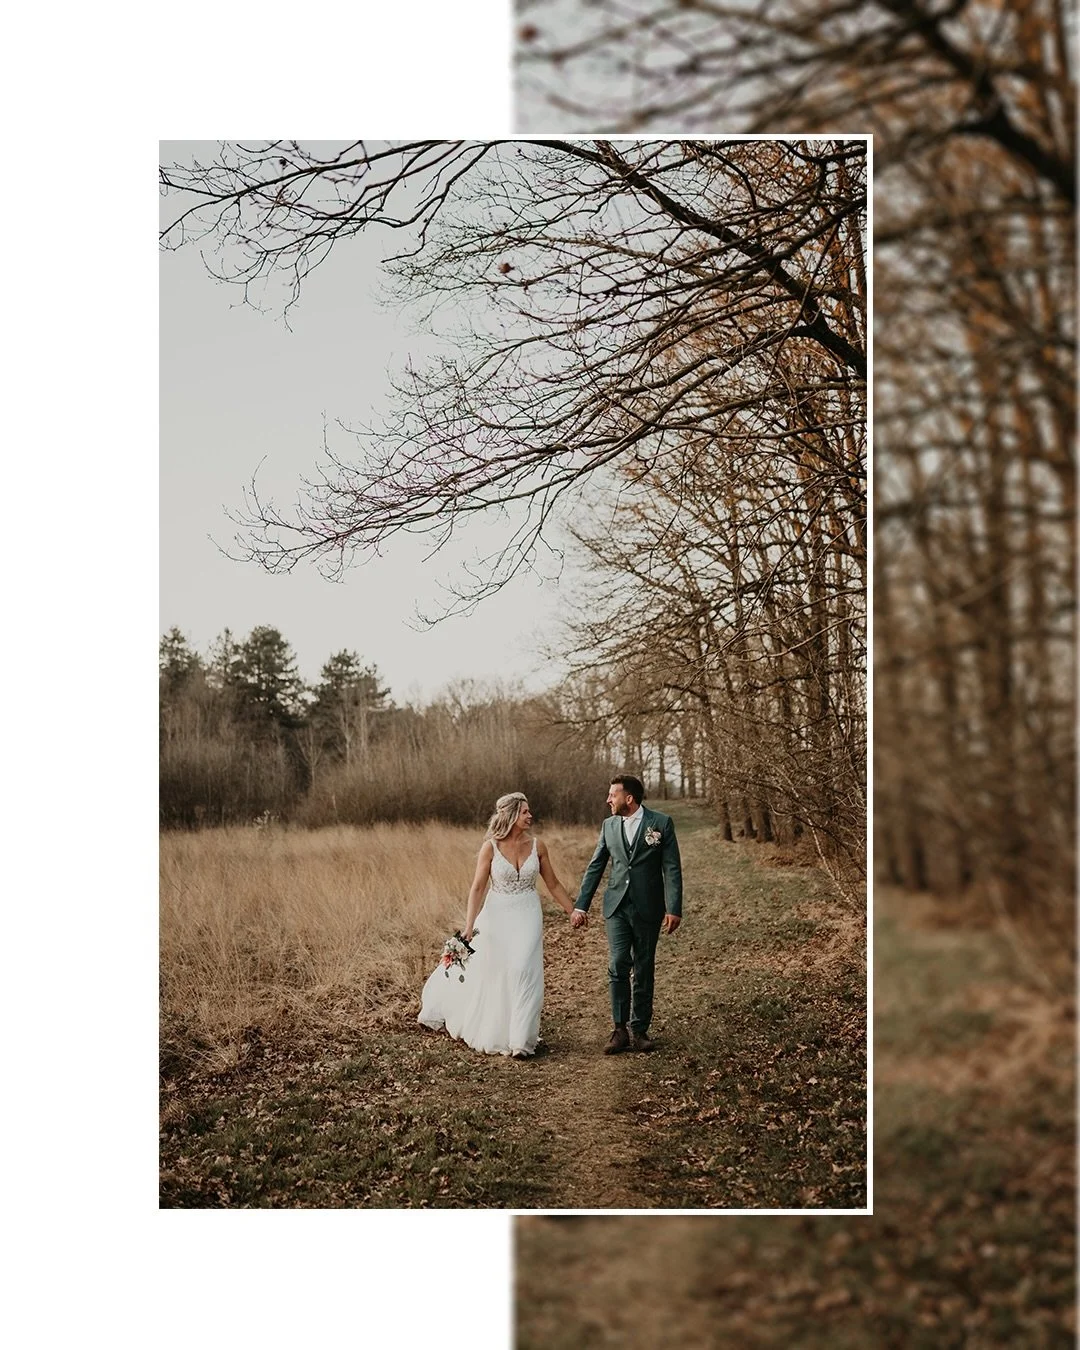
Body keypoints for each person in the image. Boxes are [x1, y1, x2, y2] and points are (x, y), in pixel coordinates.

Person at [418, 791, 581, 1059]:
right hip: (496, 915)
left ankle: (521, 1039)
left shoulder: (538, 846)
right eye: (525, 812)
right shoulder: (490, 847)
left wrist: (571, 910)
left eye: (529, 811)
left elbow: (552, 883)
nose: (530, 816)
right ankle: (498, 1029)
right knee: (497, 971)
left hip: (528, 912)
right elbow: (478, 887)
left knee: (523, 969)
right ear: (511, 814)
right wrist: (469, 926)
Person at [571, 774, 683, 1054]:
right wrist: (581, 904)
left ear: (628, 798)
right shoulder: (609, 826)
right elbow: (596, 865)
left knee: (644, 966)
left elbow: (671, 868)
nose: (608, 800)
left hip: (648, 907)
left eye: (613, 795)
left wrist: (674, 907)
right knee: (619, 962)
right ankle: (619, 1030)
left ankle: (640, 1030)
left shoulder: (660, 823)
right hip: (617, 906)